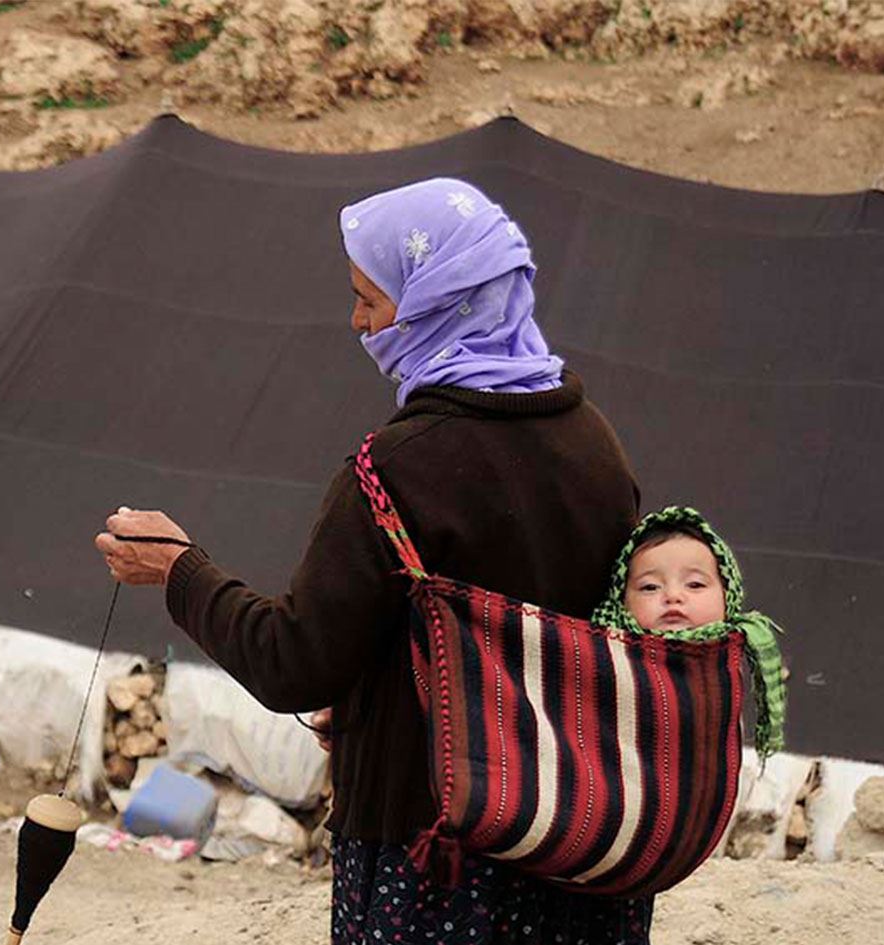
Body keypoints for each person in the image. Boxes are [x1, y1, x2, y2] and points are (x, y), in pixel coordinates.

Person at [96, 178, 654, 944]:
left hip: (437, 860)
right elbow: (547, 636)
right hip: (578, 841)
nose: (357, 320)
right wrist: (373, 697)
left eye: (372, 298)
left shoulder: (400, 466)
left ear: (437, 300)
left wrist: (179, 569)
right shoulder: (596, 444)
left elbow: (296, 662)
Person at [601, 507, 787, 758]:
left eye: (695, 584)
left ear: (728, 595)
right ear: (621, 603)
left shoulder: (725, 666)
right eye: (650, 587)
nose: (673, 597)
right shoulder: (604, 663)